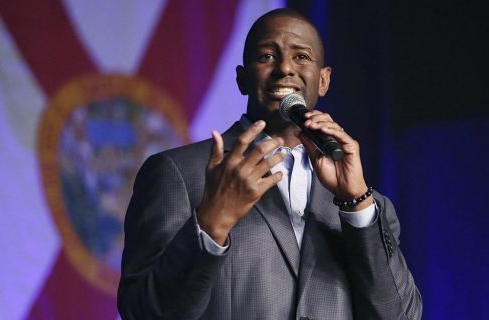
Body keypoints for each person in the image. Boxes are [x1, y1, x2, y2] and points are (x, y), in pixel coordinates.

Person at [117, 8, 422, 320]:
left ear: (324, 81)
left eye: (301, 56)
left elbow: (399, 316)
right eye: (266, 56)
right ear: (242, 79)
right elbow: (143, 312)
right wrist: (212, 222)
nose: (285, 68)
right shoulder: (178, 173)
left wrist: (356, 203)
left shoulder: (365, 204)